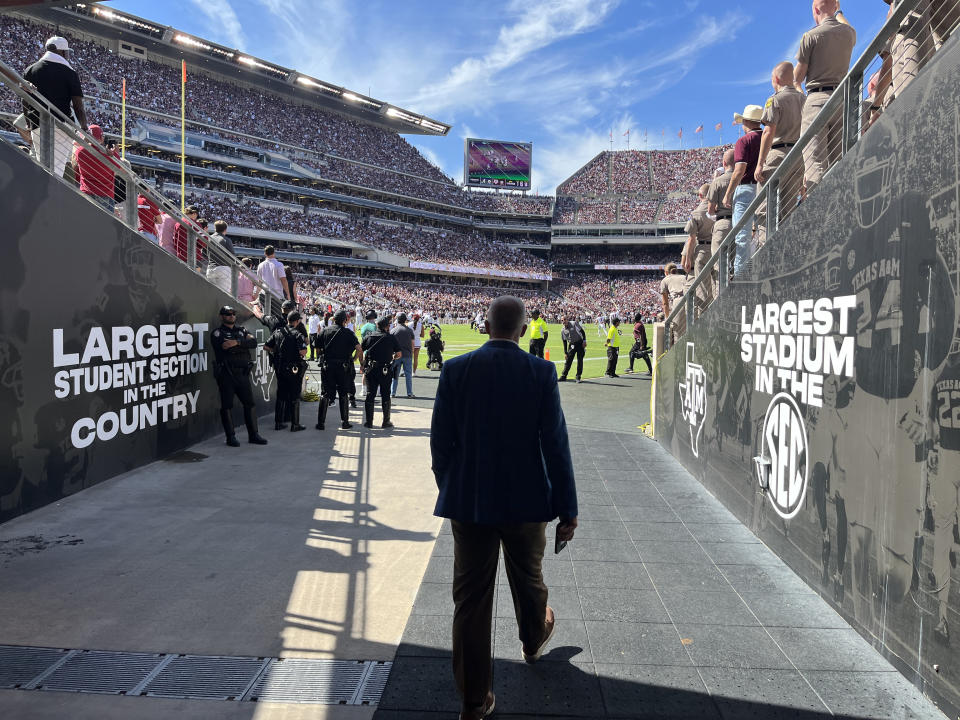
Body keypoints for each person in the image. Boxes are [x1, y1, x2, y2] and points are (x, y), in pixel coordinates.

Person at [430, 296, 578, 719]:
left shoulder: (456, 370)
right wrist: (567, 507)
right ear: (523, 328)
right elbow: (556, 446)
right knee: (529, 580)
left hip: (470, 501)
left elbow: (440, 442)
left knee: (471, 600)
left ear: (487, 326)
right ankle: (533, 640)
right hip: (526, 501)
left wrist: (453, 486)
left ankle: (474, 701)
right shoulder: (541, 372)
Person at [795, 0, 857, 194]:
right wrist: (838, 11)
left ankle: (819, 215)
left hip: (817, 98)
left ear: (815, 9)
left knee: (815, 163)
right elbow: (846, 25)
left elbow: (797, 79)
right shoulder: (848, 33)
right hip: (842, 97)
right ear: (835, 6)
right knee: (841, 159)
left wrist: (802, 97)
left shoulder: (810, 36)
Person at [22, 36, 88, 179]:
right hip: (60, 124)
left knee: (43, 165)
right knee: (56, 170)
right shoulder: (69, 73)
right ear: (62, 52)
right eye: (67, 52)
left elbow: (25, 100)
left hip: (37, 123)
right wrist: (84, 127)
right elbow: (78, 105)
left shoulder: (30, 69)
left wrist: (28, 123)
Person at [755, 61, 805, 246]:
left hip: (778, 153)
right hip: (798, 154)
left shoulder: (775, 99)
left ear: (775, 79)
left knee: (764, 209)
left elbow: (768, 131)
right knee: (789, 207)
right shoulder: (803, 98)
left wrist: (760, 162)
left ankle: (765, 250)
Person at [210, 305, 268, 446]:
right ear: (221, 316)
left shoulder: (241, 330)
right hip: (227, 374)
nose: (231, 316)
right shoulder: (217, 333)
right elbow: (224, 347)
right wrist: (242, 344)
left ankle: (253, 435)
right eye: (228, 314)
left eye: (233, 314)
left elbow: (253, 343)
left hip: (242, 374)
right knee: (227, 406)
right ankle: (231, 437)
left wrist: (236, 343)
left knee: (250, 404)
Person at [723, 105, 764, 274]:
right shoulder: (768, 136)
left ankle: (741, 278)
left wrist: (728, 194)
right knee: (763, 230)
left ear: (746, 121)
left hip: (746, 188)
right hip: (763, 187)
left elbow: (739, 171)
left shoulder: (744, 141)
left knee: (742, 237)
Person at [316, 309, 360, 431]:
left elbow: (318, 349)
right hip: (343, 367)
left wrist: (323, 355)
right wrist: (354, 359)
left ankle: (321, 423)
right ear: (345, 320)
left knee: (325, 394)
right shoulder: (348, 333)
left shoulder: (325, 331)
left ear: (333, 319)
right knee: (343, 394)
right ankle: (345, 422)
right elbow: (359, 348)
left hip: (328, 365)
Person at [265, 310, 308, 432]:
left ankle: (278, 423)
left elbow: (266, 346)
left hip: (280, 368)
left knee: (281, 396)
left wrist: (277, 352)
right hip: (294, 369)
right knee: (294, 396)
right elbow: (303, 352)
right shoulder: (297, 334)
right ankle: (295, 424)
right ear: (297, 321)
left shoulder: (278, 332)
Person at [361, 316, 402, 429]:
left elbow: (361, 349)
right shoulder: (391, 337)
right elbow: (399, 354)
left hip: (371, 368)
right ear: (386, 326)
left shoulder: (369, 336)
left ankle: (369, 422)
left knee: (370, 394)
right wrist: (392, 357)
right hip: (385, 369)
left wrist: (362, 363)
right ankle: (386, 421)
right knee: (385, 394)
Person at [681, 183, 715, 309]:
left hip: (702, 251)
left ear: (700, 195)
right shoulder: (718, 208)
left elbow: (691, 239)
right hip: (718, 248)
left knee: (703, 288)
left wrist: (689, 258)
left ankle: (706, 315)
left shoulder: (696, 213)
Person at [71, 124, 115, 212]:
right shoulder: (108, 155)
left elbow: (75, 148)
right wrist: (114, 152)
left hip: (86, 192)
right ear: (101, 137)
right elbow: (121, 168)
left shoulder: (79, 151)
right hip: (104, 195)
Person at [707, 149, 735, 281]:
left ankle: (722, 297)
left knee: (719, 264)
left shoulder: (717, 181)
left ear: (724, 163)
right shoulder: (742, 178)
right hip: (740, 221)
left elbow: (710, 210)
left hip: (722, 223)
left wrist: (718, 207)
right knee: (738, 262)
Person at [205, 220, 236, 294]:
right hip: (223, 269)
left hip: (210, 269)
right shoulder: (226, 239)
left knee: (211, 294)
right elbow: (233, 258)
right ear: (225, 230)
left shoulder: (208, 238)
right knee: (223, 295)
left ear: (215, 228)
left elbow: (205, 253)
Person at [660, 263, 688, 342]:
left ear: (666, 272)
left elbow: (665, 303)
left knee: (678, 334)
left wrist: (667, 318)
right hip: (690, 299)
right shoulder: (684, 277)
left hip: (678, 301)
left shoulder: (665, 280)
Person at [391, 312, 415, 399]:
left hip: (396, 355)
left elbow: (390, 344)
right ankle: (409, 393)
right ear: (405, 320)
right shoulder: (409, 330)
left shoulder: (393, 330)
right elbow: (413, 344)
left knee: (395, 375)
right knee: (408, 375)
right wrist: (411, 353)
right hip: (407, 354)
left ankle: (392, 392)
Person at [558, 315, 586, 383]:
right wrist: (565, 352)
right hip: (572, 345)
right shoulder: (563, 330)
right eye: (562, 320)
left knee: (580, 360)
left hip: (579, 343)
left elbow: (582, 331)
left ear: (567, 319)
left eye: (564, 319)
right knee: (568, 360)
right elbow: (564, 341)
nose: (563, 321)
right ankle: (564, 376)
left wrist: (584, 341)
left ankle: (578, 377)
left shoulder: (574, 323)